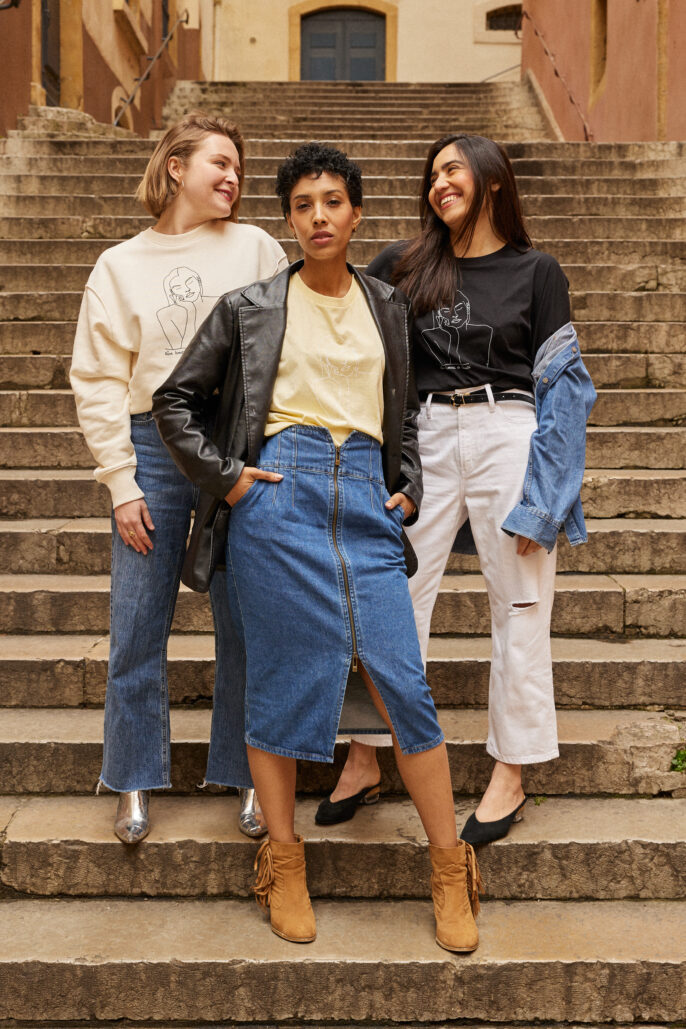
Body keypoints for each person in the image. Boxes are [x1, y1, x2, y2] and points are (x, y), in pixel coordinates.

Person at [152, 142, 483, 951]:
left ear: (357, 213)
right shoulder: (253, 305)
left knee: (405, 684)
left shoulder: (387, 306)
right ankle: (285, 859)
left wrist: (406, 480)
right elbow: (175, 400)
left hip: (366, 494)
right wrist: (229, 480)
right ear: (289, 218)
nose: (318, 217)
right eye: (302, 204)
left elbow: (403, 408)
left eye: (333, 201)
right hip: (279, 495)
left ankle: (451, 869)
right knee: (281, 687)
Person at [323, 132, 596, 845]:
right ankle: (366, 752)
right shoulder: (405, 264)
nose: (441, 182)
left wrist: (548, 498)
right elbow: (337, 323)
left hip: (509, 428)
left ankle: (512, 768)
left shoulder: (537, 272)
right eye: (434, 172)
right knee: (389, 594)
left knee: (522, 601)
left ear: (492, 180)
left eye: (454, 169)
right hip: (426, 436)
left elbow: (566, 391)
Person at [70, 111, 288, 844]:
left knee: (245, 620)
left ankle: (249, 770)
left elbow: (283, 349)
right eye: (220, 162)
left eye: (239, 167)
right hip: (152, 447)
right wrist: (121, 483)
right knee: (137, 620)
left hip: (232, 446)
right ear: (175, 167)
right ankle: (131, 773)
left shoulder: (256, 247)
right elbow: (99, 378)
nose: (233, 176)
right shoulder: (119, 265)